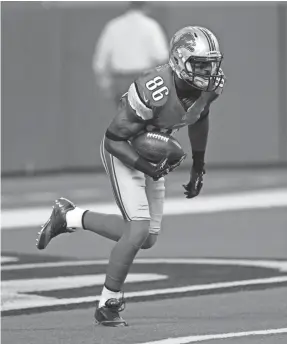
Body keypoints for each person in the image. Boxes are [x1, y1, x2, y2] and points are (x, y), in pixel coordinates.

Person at [36, 26, 225, 327]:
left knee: (147, 237)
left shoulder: (210, 88)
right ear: (179, 61)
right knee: (137, 231)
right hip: (124, 150)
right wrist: (146, 166)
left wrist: (198, 163)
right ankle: (108, 303)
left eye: (211, 63)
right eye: (200, 64)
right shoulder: (155, 87)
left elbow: (200, 117)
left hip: (153, 152)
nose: (209, 71)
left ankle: (69, 217)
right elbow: (113, 139)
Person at [92, 1, 169, 105]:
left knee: (124, 118)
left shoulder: (113, 26)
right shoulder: (151, 26)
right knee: (144, 116)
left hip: (120, 81)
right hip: (144, 80)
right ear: (146, 7)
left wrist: (105, 84)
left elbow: (100, 61)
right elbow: (161, 56)